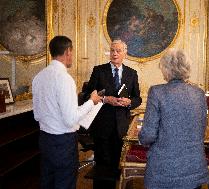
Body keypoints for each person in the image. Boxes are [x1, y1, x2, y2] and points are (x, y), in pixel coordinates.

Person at [32, 35, 102, 189]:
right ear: (68, 52)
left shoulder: (38, 77)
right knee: (65, 184)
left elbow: (36, 114)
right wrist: (92, 101)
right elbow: (70, 119)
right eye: (72, 52)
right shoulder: (65, 79)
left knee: (47, 183)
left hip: (44, 140)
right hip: (62, 143)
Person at [138, 49, 209, 189]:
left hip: (164, 171)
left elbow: (148, 135)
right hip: (194, 168)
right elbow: (201, 130)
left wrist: (142, 137)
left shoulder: (157, 92)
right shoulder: (199, 93)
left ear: (166, 68)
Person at [83, 39, 142, 188]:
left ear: (125, 53)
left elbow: (138, 98)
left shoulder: (132, 73)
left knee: (118, 166)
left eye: (118, 51)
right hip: (102, 126)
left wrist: (130, 102)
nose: (114, 53)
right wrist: (104, 99)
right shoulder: (99, 70)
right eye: (112, 50)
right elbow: (86, 95)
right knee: (102, 168)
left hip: (122, 128)